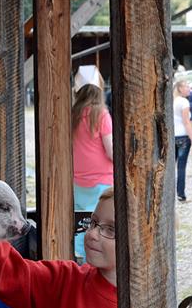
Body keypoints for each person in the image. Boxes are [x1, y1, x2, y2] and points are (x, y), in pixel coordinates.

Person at [0, 187, 118, 308]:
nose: (92, 233)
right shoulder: (66, 280)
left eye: (111, 229)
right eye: (93, 223)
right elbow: (13, 274)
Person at [72, 74, 113, 262]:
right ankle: (96, 263)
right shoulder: (101, 114)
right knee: (101, 224)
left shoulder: (73, 114)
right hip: (102, 180)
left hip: (79, 181)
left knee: (82, 223)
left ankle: (80, 260)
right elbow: (111, 150)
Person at [173, 80, 192, 202]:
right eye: (186, 86)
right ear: (179, 88)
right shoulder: (184, 102)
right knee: (181, 167)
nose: (189, 88)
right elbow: (186, 122)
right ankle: (181, 194)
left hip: (173, 136)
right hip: (183, 137)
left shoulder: (171, 101)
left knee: (170, 167)